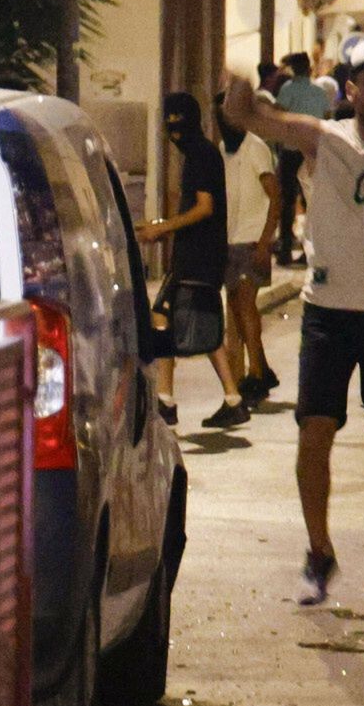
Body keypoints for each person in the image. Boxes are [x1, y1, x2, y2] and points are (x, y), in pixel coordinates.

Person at [222, 35, 364, 616]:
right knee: (314, 434)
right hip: (327, 314)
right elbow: (244, 115)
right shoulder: (325, 140)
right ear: (350, 91)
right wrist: (243, 76)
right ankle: (319, 551)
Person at [139, 92, 249, 429]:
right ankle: (228, 399)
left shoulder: (200, 155)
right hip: (200, 255)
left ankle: (167, 400)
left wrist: (163, 228)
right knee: (197, 321)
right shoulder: (202, 152)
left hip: (197, 256)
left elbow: (204, 207)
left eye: (177, 123)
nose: (173, 131)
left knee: (165, 315)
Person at [218, 104, 281, 405]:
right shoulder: (223, 149)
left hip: (252, 239)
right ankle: (252, 372)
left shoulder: (256, 148)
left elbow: (275, 195)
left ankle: (256, 372)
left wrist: (266, 241)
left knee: (244, 305)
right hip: (230, 238)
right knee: (235, 310)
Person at [274, 51, 332, 265]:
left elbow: (278, 114)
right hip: (314, 151)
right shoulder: (319, 91)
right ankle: (314, 250)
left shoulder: (287, 90)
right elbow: (327, 117)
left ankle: (285, 249)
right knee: (314, 200)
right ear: (308, 69)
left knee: (287, 201)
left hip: (291, 149)